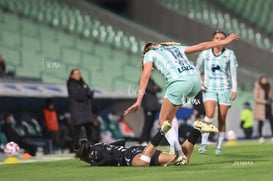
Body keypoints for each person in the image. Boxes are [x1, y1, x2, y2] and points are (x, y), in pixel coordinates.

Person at [123, 33, 239, 159]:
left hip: (179, 81)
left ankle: (178, 152)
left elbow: (145, 76)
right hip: (195, 81)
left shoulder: (149, 54)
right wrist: (224, 42)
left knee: (163, 120)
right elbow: (201, 46)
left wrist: (139, 100)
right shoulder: (173, 48)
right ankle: (177, 148)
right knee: (171, 116)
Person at [74, 122, 203, 166]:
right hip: (138, 149)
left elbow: (107, 159)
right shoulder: (98, 145)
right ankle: (196, 130)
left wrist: (95, 164)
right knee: (182, 161)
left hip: (129, 156)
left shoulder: (93, 154)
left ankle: (161, 132)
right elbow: (122, 142)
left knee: (142, 164)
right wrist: (113, 147)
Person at [195, 30, 238, 155]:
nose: (219, 40)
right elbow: (197, 69)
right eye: (216, 38)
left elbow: (233, 74)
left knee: (222, 118)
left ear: (225, 41)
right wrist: (200, 83)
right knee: (209, 114)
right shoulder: (204, 53)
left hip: (224, 89)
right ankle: (204, 143)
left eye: (222, 38)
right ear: (212, 39)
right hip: (209, 88)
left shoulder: (230, 54)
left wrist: (234, 90)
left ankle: (219, 146)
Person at [67, 68, 100, 145]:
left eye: (79, 73)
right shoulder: (71, 84)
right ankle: (75, 149)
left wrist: (86, 94)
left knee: (90, 131)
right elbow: (78, 96)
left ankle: (91, 147)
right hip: (77, 113)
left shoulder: (83, 84)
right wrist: (86, 95)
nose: (78, 75)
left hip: (86, 113)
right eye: (76, 74)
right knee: (77, 132)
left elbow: (90, 92)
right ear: (71, 75)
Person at [139, 76, 162, 145]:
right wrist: (155, 87)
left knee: (150, 124)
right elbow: (151, 89)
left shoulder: (151, 80)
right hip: (148, 106)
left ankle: (147, 139)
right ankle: (143, 140)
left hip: (153, 107)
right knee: (147, 124)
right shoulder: (144, 79)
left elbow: (159, 89)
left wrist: (156, 88)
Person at [253, 75, 273, 143]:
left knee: (271, 122)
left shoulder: (269, 86)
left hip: (269, 107)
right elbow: (256, 98)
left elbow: (271, 95)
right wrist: (265, 101)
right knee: (260, 123)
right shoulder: (257, 86)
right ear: (260, 80)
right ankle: (261, 137)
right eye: (263, 79)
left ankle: (272, 137)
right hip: (261, 108)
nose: (265, 80)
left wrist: (270, 100)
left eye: (266, 79)